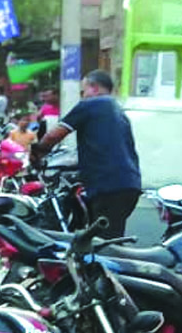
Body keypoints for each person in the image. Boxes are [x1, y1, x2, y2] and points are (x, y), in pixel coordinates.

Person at [31, 69, 141, 238]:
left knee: (103, 246)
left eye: (83, 91)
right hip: (129, 185)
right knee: (109, 237)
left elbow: (54, 135)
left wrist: (37, 153)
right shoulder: (118, 111)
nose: (82, 96)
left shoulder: (90, 105)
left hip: (108, 186)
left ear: (94, 88)